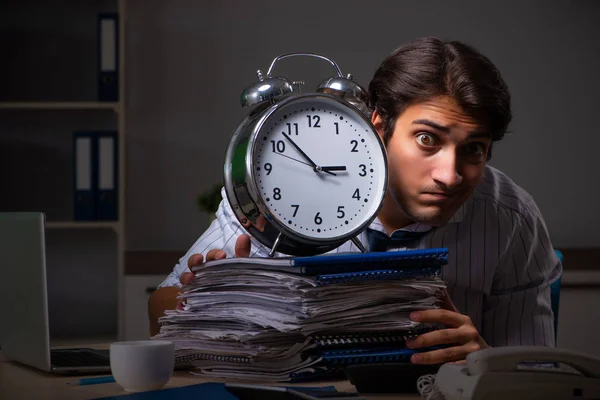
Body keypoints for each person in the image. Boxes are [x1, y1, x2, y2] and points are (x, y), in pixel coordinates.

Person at [148, 37, 562, 365]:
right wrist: (215, 300)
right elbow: (158, 317)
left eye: (473, 149)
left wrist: (483, 359)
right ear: (378, 126)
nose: (450, 175)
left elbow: (536, 377)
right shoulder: (271, 193)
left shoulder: (510, 218)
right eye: (426, 139)